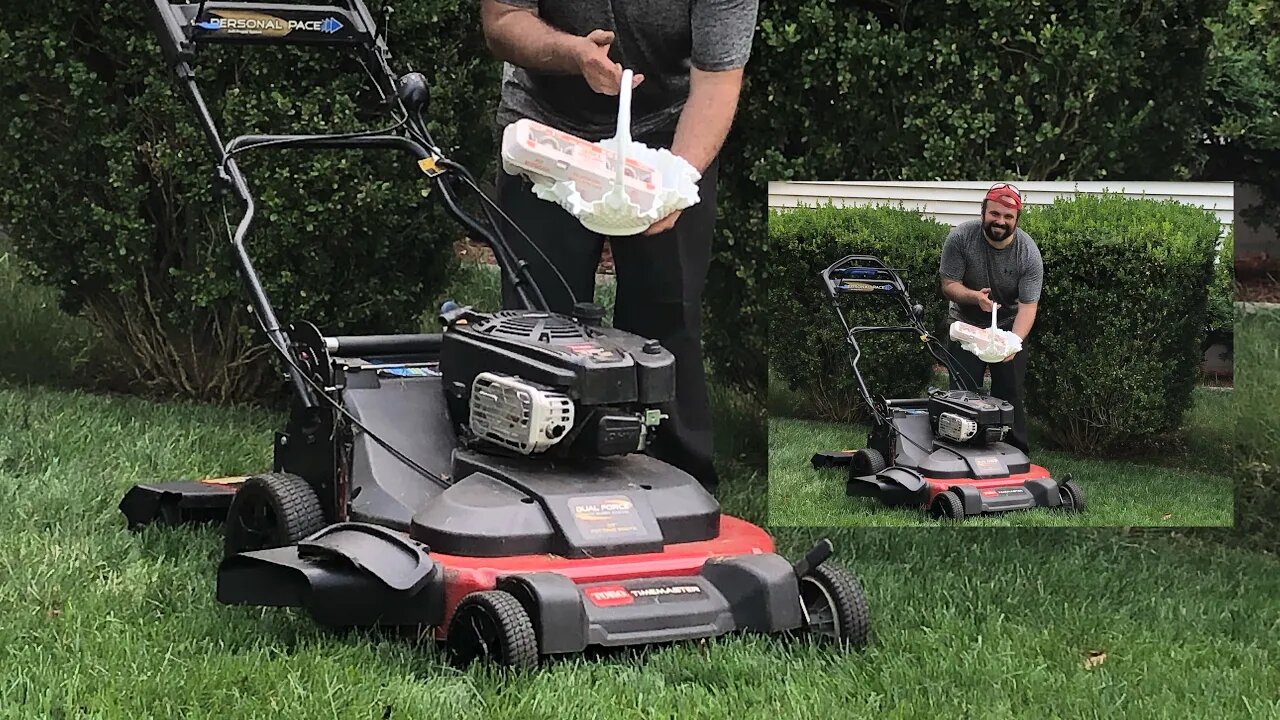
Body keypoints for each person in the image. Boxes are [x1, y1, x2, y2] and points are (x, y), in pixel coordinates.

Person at [477, 0, 758, 493]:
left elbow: (717, 80)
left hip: (668, 132)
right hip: (546, 131)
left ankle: (681, 489)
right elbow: (502, 21)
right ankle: (535, 483)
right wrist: (572, 53)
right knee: (537, 325)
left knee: (668, 318)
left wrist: (677, 180)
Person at [938, 182, 1043, 454]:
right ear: (983, 211)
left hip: (1007, 329)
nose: (1000, 221)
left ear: (1017, 219)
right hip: (965, 325)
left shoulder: (1028, 253)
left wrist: (1012, 343)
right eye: (995, 214)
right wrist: (974, 297)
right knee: (962, 395)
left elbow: (1029, 306)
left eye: (1008, 217)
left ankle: (1016, 455)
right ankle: (958, 452)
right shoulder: (961, 237)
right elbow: (949, 284)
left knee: (1010, 395)